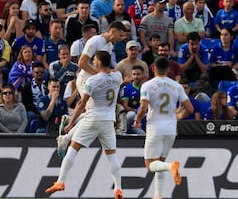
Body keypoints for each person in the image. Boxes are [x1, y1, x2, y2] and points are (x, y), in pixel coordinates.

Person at [45, 51, 124, 199]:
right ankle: (118, 189)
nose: (92, 62)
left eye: (94, 60)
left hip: (92, 119)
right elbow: (113, 71)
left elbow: (82, 103)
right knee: (112, 155)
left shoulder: (93, 81)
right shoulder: (117, 77)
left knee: (73, 149)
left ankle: (61, 181)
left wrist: (71, 123)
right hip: (108, 122)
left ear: (99, 62)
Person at [134, 57, 193, 199]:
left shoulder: (147, 85)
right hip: (171, 128)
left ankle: (170, 166)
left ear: (153, 68)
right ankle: (158, 196)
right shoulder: (177, 85)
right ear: (169, 69)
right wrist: (178, 116)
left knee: (150, 164)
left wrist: (137, 120)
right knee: (159, 161)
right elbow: (190, 108)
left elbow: (143, 107)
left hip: (155, 127)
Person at [76, 21, 126, 96]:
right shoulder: (95, 41)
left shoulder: (109, 46)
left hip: (96, 81)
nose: (121, 38)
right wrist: (97, 75)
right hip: (85, 80)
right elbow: (81, 63)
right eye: (120, 35)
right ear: (113, 32)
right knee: (87, 105)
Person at [21, 62, 47, 132]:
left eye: (41, 72)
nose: (39, 74)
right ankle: (27, 135)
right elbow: (26, 103)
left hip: (45, 110)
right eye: (37, 72)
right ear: (33, 73)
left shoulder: (47, 86)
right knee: (30, 115)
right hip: (33, 110)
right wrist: (38, 111)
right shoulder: (27, 87)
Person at [121, 65, 145, 133]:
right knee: (131, 115)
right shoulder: (126, 88)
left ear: (142, 75)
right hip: (132, 116)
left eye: (138, 74)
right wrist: (137, 111)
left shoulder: (147, 87)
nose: (136, 77)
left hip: (144, 114)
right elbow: (125, 107)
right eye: (134, 74)